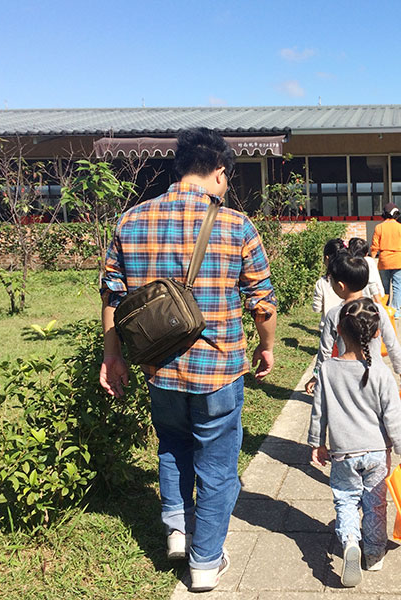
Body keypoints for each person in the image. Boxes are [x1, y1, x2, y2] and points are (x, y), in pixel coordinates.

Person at [98, 127, 277, 593]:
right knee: (217, 466)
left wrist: (111, 357)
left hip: (159, 368)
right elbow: (263, 303)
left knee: (172, 445)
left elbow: (112, 297)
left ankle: (178, 528)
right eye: (227, 177)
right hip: (217, 372)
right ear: (219, 171)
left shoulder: (130, 221)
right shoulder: (236, 225)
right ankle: (204, 562)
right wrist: (267, 346)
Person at [308, 297, 401, 587]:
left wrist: (317, 443)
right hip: (377, 452)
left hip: (343, 452)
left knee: (345, 500)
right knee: (376, 503)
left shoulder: (327, 370)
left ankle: (351, 541)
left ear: (339, 331)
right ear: (377, 333)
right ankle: (374, 553)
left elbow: (319, 411)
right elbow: (393, 418)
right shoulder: (381, 373)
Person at [305, 252, 401, 395]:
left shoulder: (335, 314)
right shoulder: (377, 310)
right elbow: (392, 343)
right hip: (376, 373)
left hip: (345, 376)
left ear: (340, 286)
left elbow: (325, 350)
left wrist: (316, 375)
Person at [370, 202, 401, 318]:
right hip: (399, 260)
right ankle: (396, 311)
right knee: (397, 287)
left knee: (384, 287)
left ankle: (384, 310)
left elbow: (374, 247)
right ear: (396, 215)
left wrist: (371, 260)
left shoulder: (379, 227)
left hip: (384, 261)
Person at [312, 238, 346, 331]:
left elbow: (316, 308)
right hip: (347, 327)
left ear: (327, 258)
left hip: (328, 328)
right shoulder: (349, 278)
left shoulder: (322, 282)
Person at [347, 237, 383, 303]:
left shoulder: (346, 263)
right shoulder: (368, 261)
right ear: (366, 253)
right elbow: (373, 282)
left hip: (351, 301)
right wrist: (379, 299)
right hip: (369, 299)